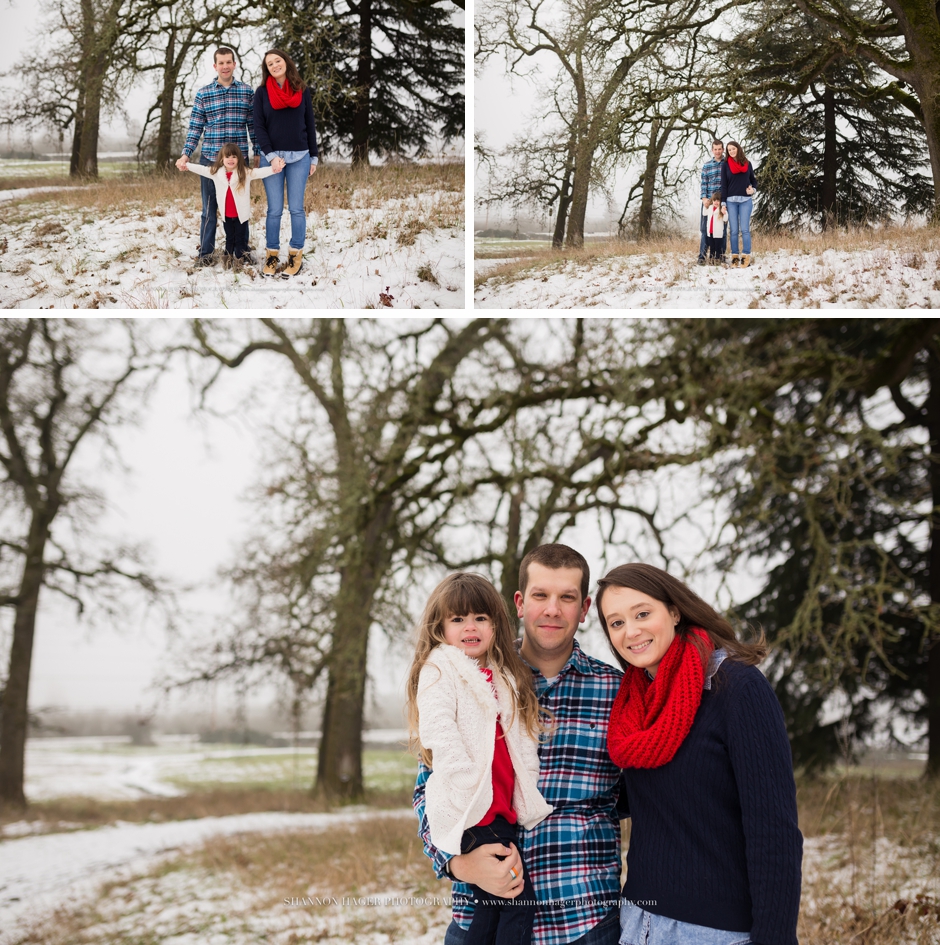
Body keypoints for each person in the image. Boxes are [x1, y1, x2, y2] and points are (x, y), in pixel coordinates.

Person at [415, 544, 625, 945]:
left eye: (567, 597)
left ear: (584, 609)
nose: (552, 609)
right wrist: (456, 864)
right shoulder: (468, 676)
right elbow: (430, 787)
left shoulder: (615, 692)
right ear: (519, 603)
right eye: (540, 595)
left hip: (583, 921)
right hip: (480, 916)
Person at [595, 563, 802, 945]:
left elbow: (774, 830)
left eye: (642, 613)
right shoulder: (634, 702)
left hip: (713, 930)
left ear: (674, 611)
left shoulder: (736, 688)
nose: (632, 631)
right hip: (638, 921)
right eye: (616, 622)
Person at [407, 572, 553, 945]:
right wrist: (461, 776)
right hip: (472, 806)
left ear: (495, 624)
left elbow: (518, 736)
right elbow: (438, 728)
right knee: (518, 900)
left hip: (500, 807)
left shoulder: (503, 673)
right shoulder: (441, 669)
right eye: (458, 619)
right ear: (440, 627)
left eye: (480, 618)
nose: (470, 627)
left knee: (491, 903)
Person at [176, 48, 259, 268]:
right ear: (215, 66)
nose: (225, 66)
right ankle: (205, 253)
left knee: (240, 208)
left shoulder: (246, 92)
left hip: (239, 163)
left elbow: (253, 126)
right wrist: (186, 154)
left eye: (228, 62)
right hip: (211, 161)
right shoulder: (204, 93)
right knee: (209, 209)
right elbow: (195, 127)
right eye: (220, 63)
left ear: (234, 64)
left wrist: (257, 152)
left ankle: (242, 251)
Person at [253, 48, 319, 278]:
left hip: (300, 156)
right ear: (267, 69)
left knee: (297, 208)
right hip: (272, 159)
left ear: (286, 62)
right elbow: (259, 127)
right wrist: (271, 156)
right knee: (274, 210)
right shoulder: (261, 93)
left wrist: (314, 156)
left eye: (277, 61)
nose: (274, 65)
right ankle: (272, 254)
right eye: (269, 64)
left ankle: (295, 254)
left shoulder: (302, 90)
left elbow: (309, 124)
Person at [181, 143, 280, 268]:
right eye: (227, 157)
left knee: (239, 239)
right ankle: (227, 259)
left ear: (239, 158)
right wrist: (186, 165)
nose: (231, 159)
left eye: (234, 156)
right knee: (229, 238)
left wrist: (274, 169)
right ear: (222, 159)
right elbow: (202, 169)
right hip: (226, 215)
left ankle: (239, 260)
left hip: (241, 216)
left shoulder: (244, 173)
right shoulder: (216, 173)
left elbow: (259, 172)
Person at [721, 141, 758, 268]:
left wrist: (753, 190)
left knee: (745, 229)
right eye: (729, 150)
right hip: (731, 202)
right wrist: (723, 203)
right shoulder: (725, 165)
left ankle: (746, 257)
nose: (731, 151)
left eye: (733, 149)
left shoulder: (747, 164)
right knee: (734, 231)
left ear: (738, 148)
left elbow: (754, 181)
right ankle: (735, 257)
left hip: (745, 201)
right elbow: (724, 186)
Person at [697, 139, 726, 266]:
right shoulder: (707, 165)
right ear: (712, 150)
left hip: (722, 203)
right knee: (705, 230)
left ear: (723, 150)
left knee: (722, 231)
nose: (718, 151)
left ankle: (720, 256)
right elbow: (704, 184)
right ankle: (702, 256)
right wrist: (704, 199)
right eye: (715, 149)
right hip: (708, 202)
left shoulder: (727, 164)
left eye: (720, 149)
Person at [702, 191, 728, 266]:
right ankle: (711, 259)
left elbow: (725, 219)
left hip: (718, 233)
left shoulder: (720, 210)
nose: (716, 202)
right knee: (712, 247)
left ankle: (717, 259)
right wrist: (705, 206)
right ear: (712, 201)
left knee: (718, 247)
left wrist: (724, 212)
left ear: (720, 202)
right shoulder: (710, 208)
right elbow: (704, 213)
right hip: (710, 232)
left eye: (718, 200)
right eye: (714, 200)